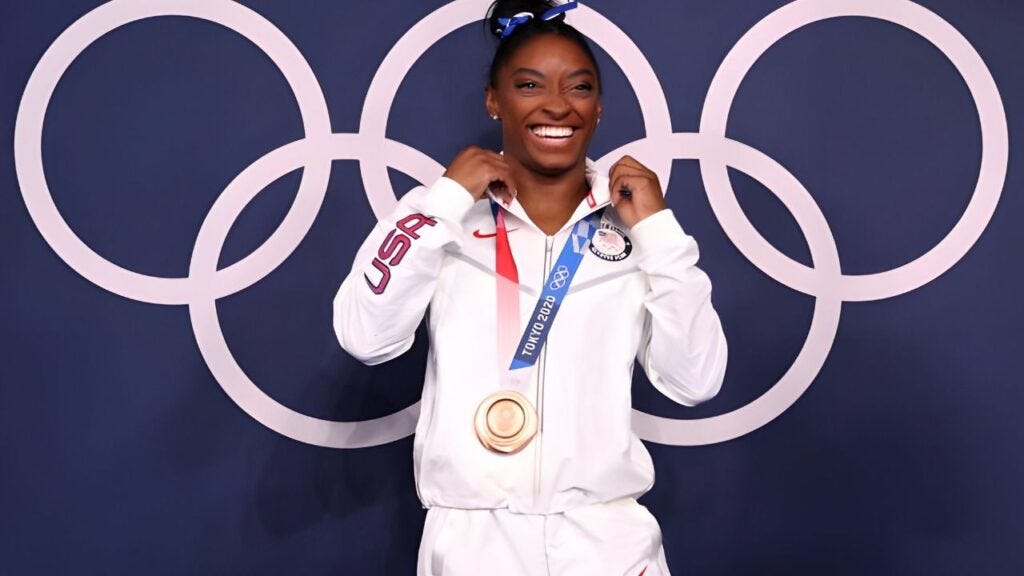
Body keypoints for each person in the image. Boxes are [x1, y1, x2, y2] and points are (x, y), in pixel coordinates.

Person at [333, 0, 727, 573]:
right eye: (528, 84)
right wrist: (442, 201)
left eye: (580, 87)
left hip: (609, 543)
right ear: (494, 101)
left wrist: (661, 234)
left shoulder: (639, 227)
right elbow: (364, 336)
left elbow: (696, 381)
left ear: (599, 108)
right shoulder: (439, 216)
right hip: (473, 543)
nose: (557, 105)